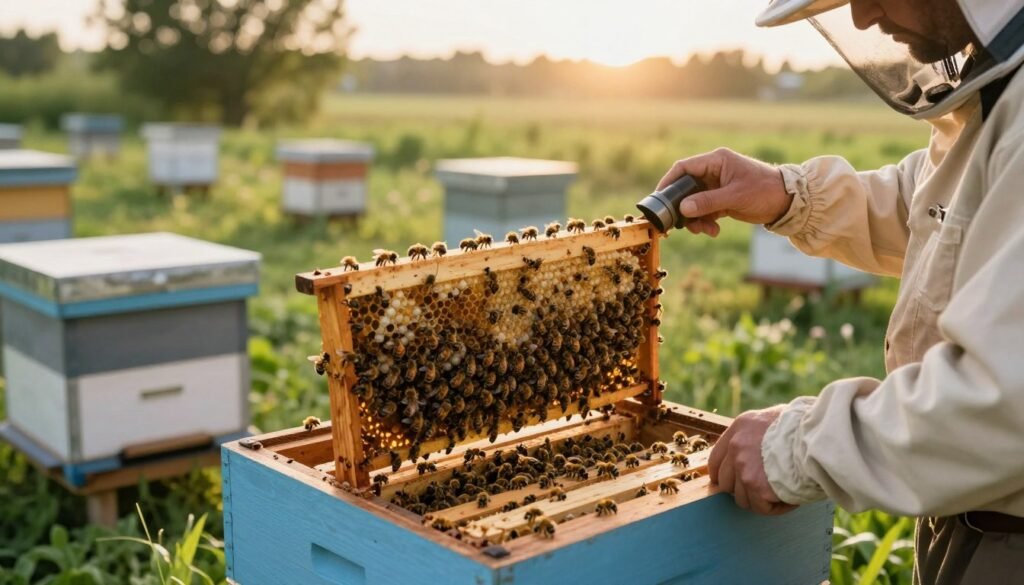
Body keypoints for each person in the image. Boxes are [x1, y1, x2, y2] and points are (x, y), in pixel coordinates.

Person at [655, 0, 1024, 583]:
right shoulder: (1007, 93)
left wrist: (798, 447)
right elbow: (945, 206)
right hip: (972, 521)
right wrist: (787, 193)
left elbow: (1006, 401)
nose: (861, 18)